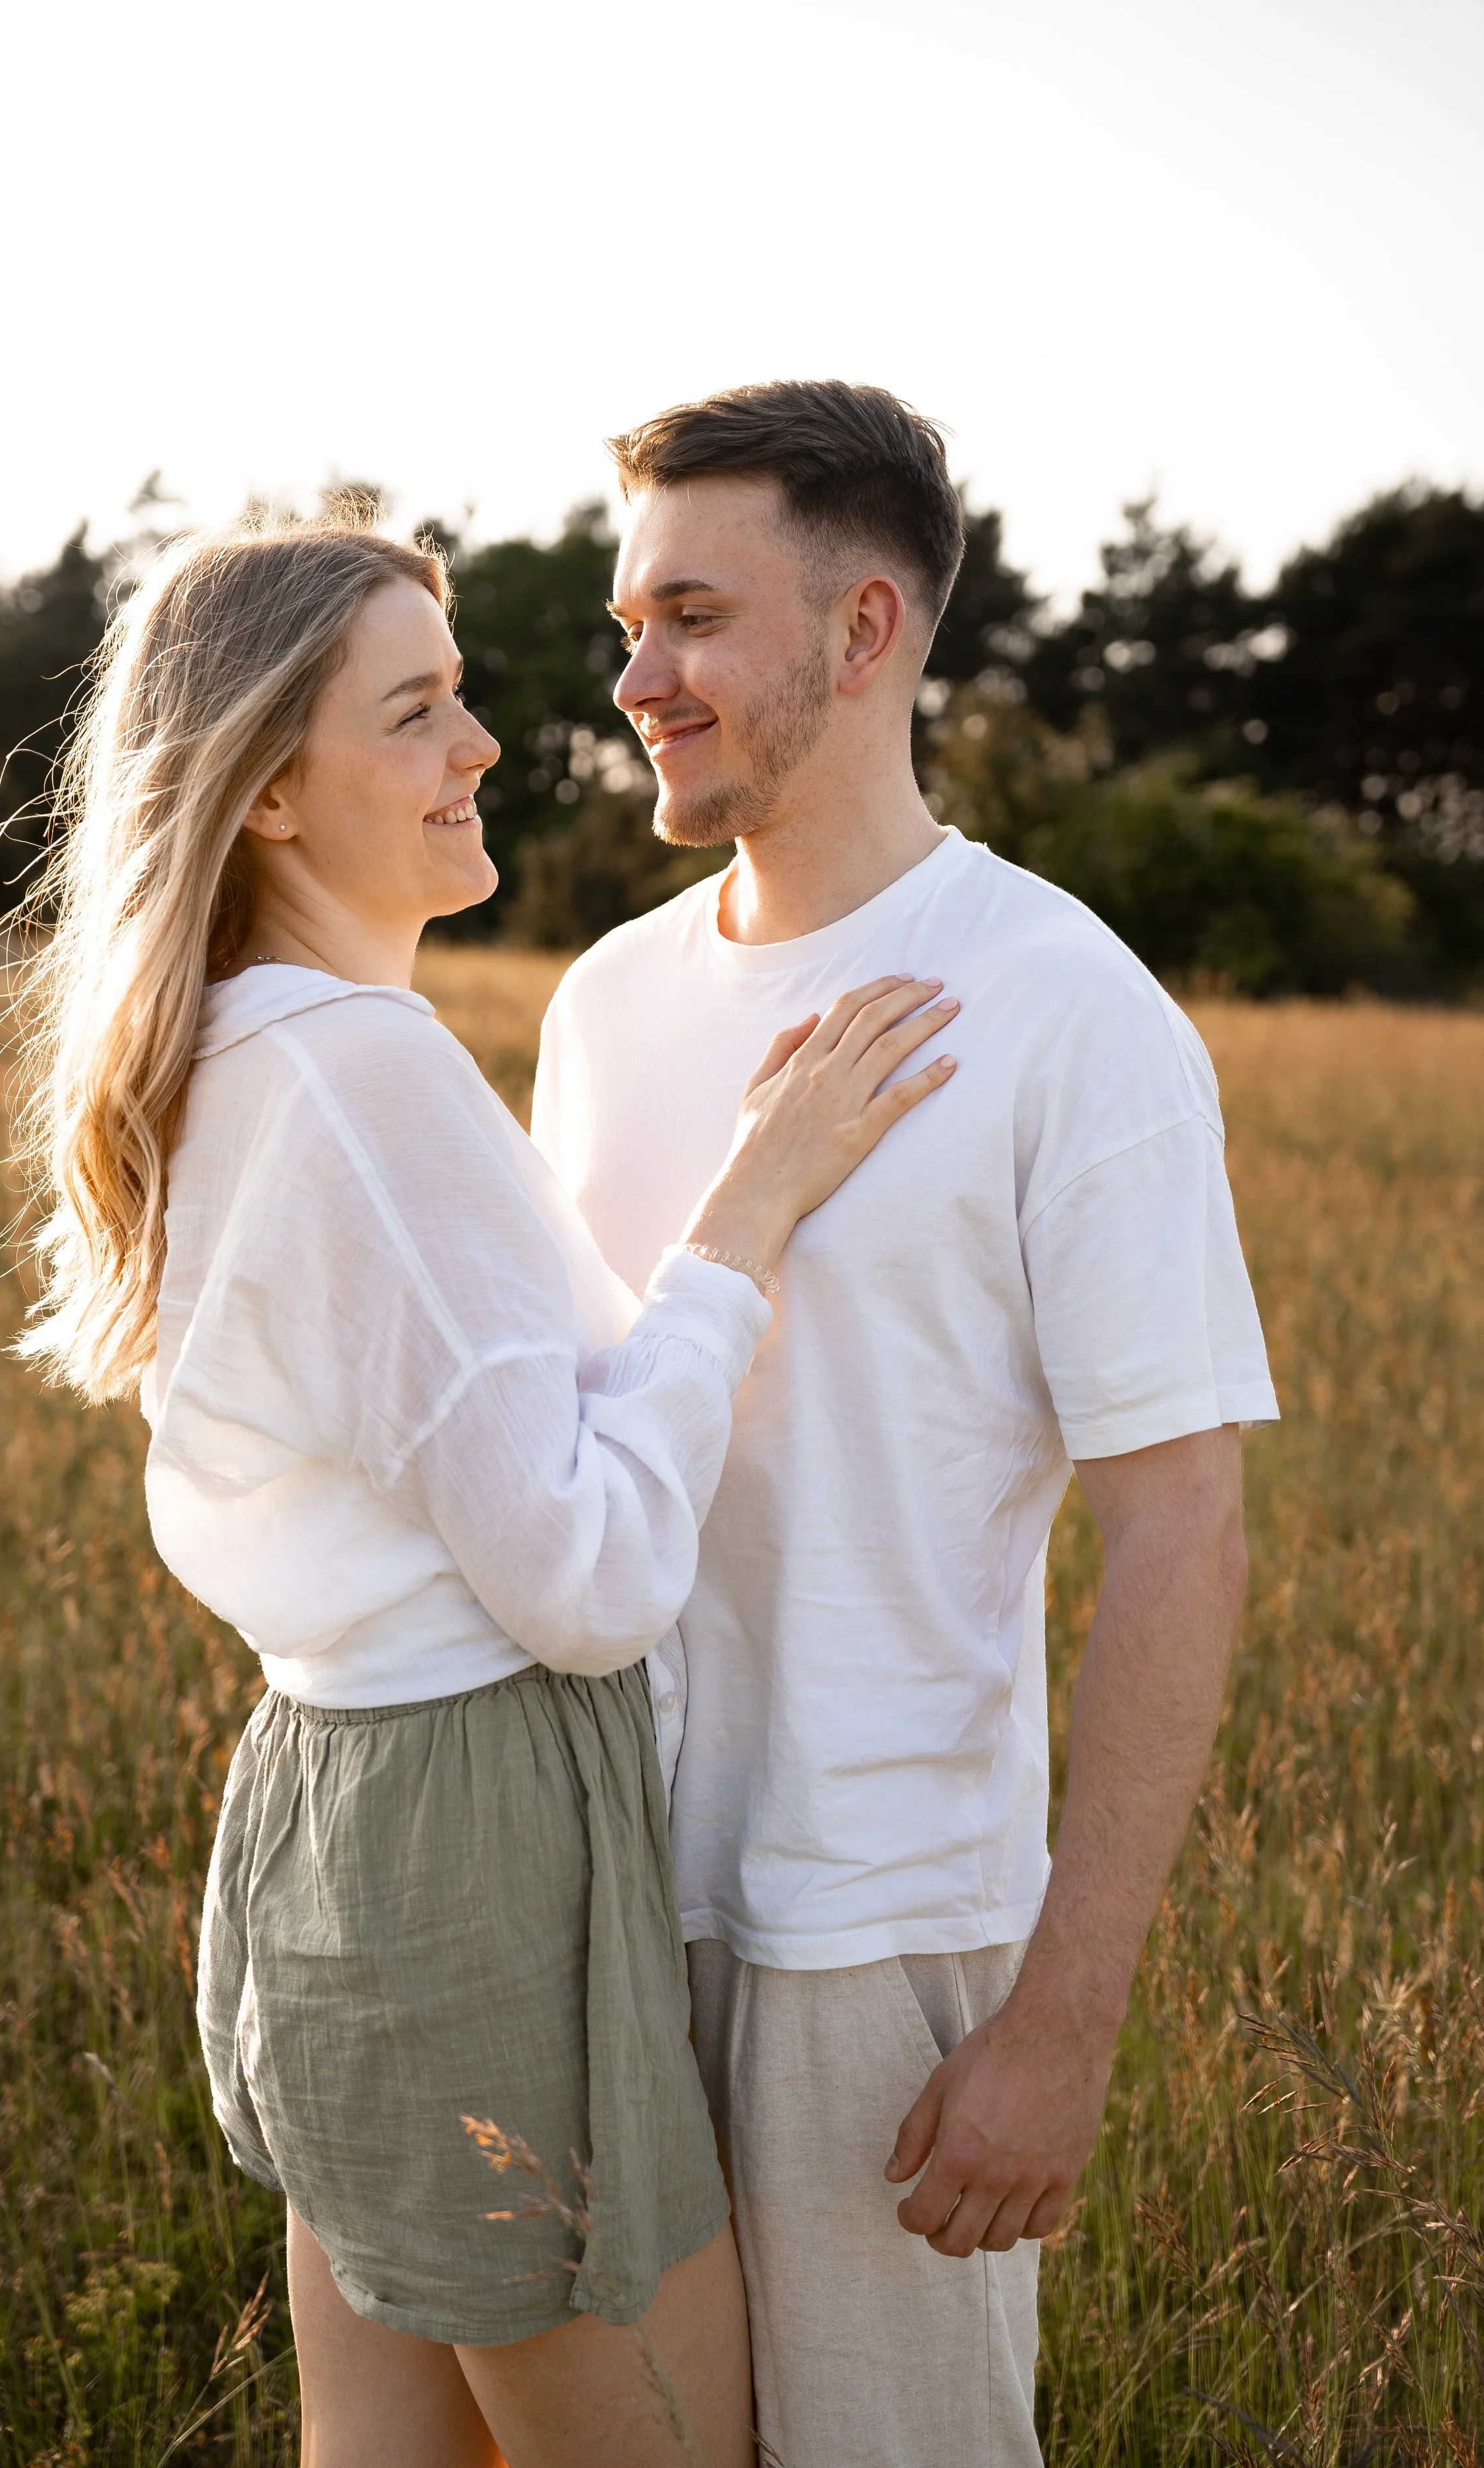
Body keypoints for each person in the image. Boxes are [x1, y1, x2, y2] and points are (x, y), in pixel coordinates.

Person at [3, 508, 965, 2468]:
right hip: (477, 1832)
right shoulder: (356, 1070)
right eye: (420, 711)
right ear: (271, 788)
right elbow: (585, 1574)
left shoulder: (243, 1054)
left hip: (341, 1806)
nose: (483, 749)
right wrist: (745, 1218)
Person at [532, 380, 1280, 2468]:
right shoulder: (598, 1004)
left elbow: (1180, 1528)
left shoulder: (1063, 1004)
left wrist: (1061, 2020)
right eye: (625, 622)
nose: (635, 678)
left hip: (881, 1930)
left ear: (865, 633)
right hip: (583, 1894)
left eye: (689, 615)